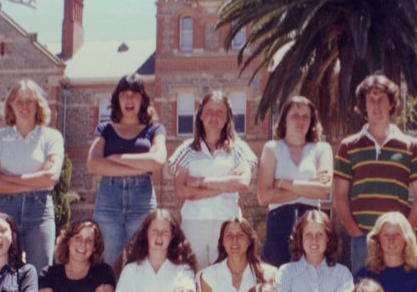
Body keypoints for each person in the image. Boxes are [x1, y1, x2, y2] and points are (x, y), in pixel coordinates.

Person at [333, 73, 417, 274]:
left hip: (399, 240)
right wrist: (356, 233)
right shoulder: (348, 146)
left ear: (392, 103)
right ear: (364, 106)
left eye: (381, 99)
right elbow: (340, 196)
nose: (376, 105)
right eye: (371, 100)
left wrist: (405, 231)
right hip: (363, 241)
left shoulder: (411, 146)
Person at [0, 80, 65, 272]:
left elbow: (51, 177)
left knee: (42, 270)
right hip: (6, 207)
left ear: (38, 105)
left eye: (30, 101)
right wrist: (35, 180)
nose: (24, 106)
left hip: (40, 208)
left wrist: (8, 178)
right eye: (19, 101)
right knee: (3, 268)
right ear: (10, 105)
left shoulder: (51, 137)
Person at [169, 91, 257, 269]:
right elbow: (181, 191)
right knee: (192, 275)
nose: (214, 117)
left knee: (225, 275)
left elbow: (242, 183)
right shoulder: (187, 149)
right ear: (200, 115)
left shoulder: (238, 148)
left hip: (227, 224)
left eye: (220, 112)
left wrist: (201, 181)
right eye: (209, 111)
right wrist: (225, 185)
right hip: (193, 224)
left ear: (227, 118)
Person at [88, 73, 167, 267]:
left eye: (135, 94)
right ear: (117, 99)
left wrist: (116, 158)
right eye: (124, 94)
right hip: (108, 200)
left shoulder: (154, 129)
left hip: (142, 199)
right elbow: (93, 164)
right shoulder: (104, 129)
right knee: (107, 262)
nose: (129, 99)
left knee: (142, 261)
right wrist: (140, 165)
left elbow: (158, 159)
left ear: (143, 99)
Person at [255, 95, 333, 267]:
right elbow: (263, 196)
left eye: (306, 116)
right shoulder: (272, 149)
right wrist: (307, 186)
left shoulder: (321, 149)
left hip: (312, 224)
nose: (300, 121)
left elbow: (323, 191)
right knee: (276, 282)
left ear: (312, 121)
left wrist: (283, 183)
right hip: (278, 225)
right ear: (284, 120)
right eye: (294, 116)